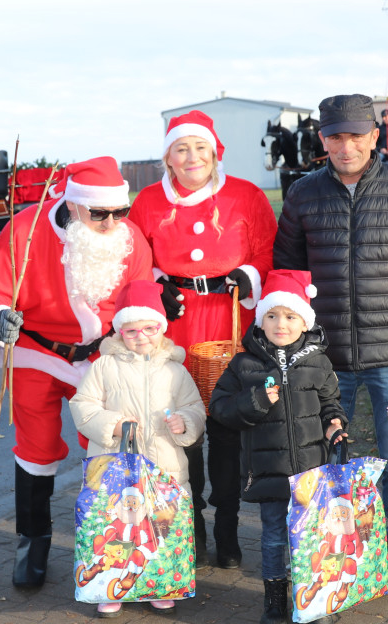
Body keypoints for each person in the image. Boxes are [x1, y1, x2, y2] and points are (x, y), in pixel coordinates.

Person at [273, 94, 388, 593]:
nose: (346, 146)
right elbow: (286, 274)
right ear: (322, 140)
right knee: (322, 458)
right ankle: (333, 547)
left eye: (355, 135)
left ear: (374, 136)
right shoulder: (303, 194)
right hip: (323, 357)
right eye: (335, 136)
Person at [0, 157, 154, 589]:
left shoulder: (130, 240)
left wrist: (148, 320)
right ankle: (31, 543)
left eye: (119, 212)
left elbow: (143, 292)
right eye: (99, 213)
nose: (111, 223)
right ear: (73, 206)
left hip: (101, 355)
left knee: (109, 442)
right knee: (34, 448)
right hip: (36, 351)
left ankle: (113, 542)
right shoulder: (24, 230)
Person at [128, 110, 278, 569]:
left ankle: (228, 529)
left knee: (226, 430)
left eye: (200, 147)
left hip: (228, 324)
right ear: (168, 158)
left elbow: (268, 253)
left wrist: (247, 275)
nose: (191, 157)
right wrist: (158, 287)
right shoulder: (149, 201)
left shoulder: (247, 196)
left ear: (216, 152)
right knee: (178, 433)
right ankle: (188, 525)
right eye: (181, 149)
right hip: (173, 328)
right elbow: (136, 261)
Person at [208, 270, 347, 624]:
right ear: (261, 320)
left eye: (289, 316)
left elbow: (332, 402)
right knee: (272, 536)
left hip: (311, 472)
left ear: (305, 321)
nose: (280, 324)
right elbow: (220, 408)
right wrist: (255, 401)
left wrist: (335, 424)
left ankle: (314, 597)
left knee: (312, 535)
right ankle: (274, 601)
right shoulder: (244, 364)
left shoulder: (319, 362)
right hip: (268, 470)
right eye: (271, 316)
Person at [69, 279, 206, 617]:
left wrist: (185, 422)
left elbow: (196, 408)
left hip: (164, 467)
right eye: (131, 331)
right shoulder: (104, 366)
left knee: (159, 528)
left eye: (149, 328)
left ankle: (159, 583)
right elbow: (82, 405)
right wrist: (112, 424)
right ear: (119, 333)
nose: (141, 336)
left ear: (161, 328)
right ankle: (110, 583)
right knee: (116, 528)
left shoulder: (175, 370)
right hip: (115, 468)